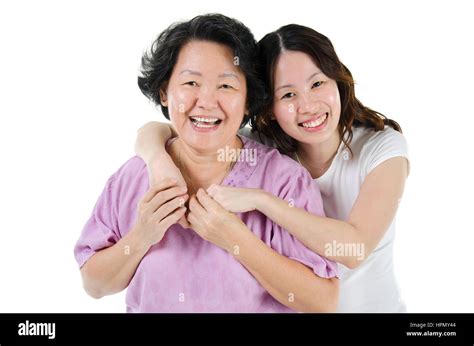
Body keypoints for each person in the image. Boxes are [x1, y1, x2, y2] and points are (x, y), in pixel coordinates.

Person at [135, 24, 409, 312]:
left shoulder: (382, 149)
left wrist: (261, 200)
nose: (307, 106)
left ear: (339, 81)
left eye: (317, 84)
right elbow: (157, 130)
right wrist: (158, 163)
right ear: (269, 109)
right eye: (288, 95)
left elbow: (354, 250)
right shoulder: (265, 149)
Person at [74, 14, 339, 313]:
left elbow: (323, 302)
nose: (206, 101)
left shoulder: (284, 181)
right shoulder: (133, 177)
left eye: (226, 86)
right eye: (191, 82)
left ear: (249, 101)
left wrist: (236, 239)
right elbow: (94, 286)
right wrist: (141, 236)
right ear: (164, 92)